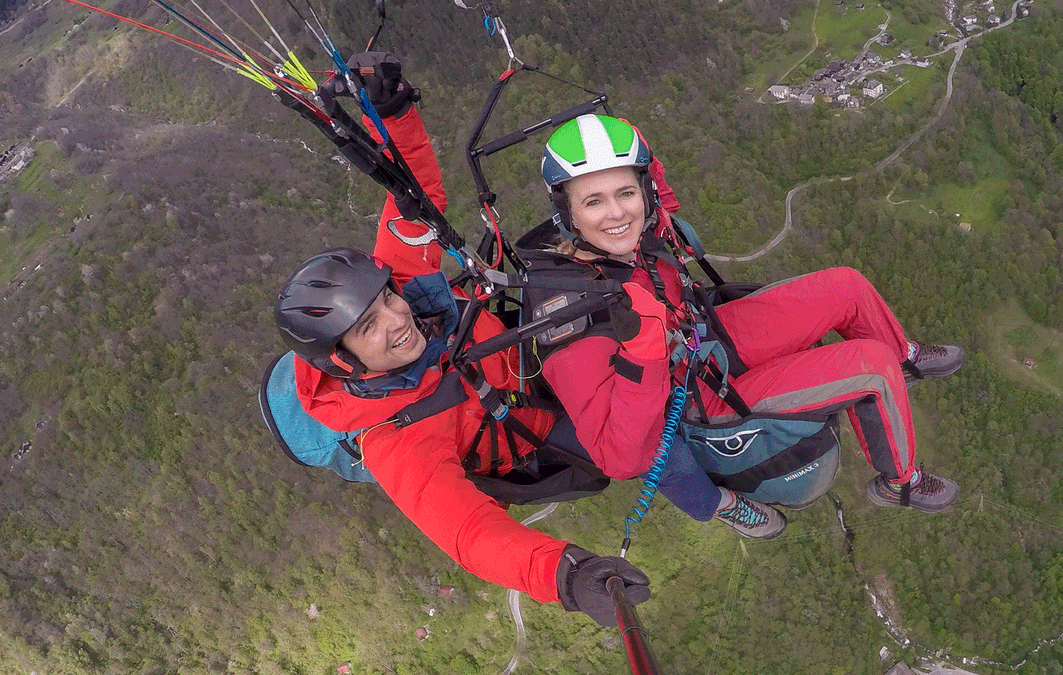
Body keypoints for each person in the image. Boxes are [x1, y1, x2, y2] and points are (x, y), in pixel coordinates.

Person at [521, 114, 965, 537]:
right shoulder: (572, 318)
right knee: (870, 364)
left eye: (626, 193)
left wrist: (644, 155)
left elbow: (661, 201)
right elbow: (618, 456)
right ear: (568, 213)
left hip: (707, 337)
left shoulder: (638, 235)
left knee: (846, 287)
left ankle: (902, 361)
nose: (617, 214)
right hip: (697, 397)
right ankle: (900, 481)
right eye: (593, 201)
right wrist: (644, 352)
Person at [274, 248, 649, 626]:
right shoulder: (396, 441)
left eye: (388, 297)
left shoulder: (412, 288)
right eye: (368, 326)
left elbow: (409, 212)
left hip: (533, 359)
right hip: (537, 429)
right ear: (343, 360)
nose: (399, 318)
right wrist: (568, 575)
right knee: (639, 448)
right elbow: (470, 532)